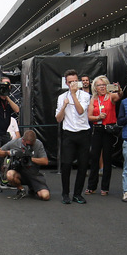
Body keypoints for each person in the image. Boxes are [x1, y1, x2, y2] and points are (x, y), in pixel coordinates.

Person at [55, 70, 91, 205]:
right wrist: (64, 105)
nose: (73, 84)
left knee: (83, 165)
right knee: (66, 164)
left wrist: (74, 95)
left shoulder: (85, 96)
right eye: (70, 82)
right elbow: (58, 119)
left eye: (75, 81)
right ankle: (65, 193)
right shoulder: (61, 97)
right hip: (68, 133)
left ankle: (77, 194)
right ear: (66, 83)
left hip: (83, 133)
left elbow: (81, 111)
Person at [85, 76, 118, 196]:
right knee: (94, 157)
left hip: (108, 129)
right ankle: (91, 186)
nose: (102, 87)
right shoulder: (93, 99)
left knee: (107, 158)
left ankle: (105, 187)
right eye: (99, 85)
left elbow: (119, 96)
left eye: (104, 84)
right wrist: (98, 117)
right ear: (95, 88)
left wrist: (118, 89)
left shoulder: (111, 97)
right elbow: (89, 116)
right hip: (97, 129)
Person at [0, 129, 50, 201]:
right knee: (10, 174)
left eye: (31, 144)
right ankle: (21, 189)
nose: (29, 146)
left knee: (45, 196)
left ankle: (32, 188)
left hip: (33, 174)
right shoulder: (15, 143)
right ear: (23, 140)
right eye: (28, 144)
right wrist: (9, 152)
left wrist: (30, 159)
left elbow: (45, 161)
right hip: (20, 173)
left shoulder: (38, 144)